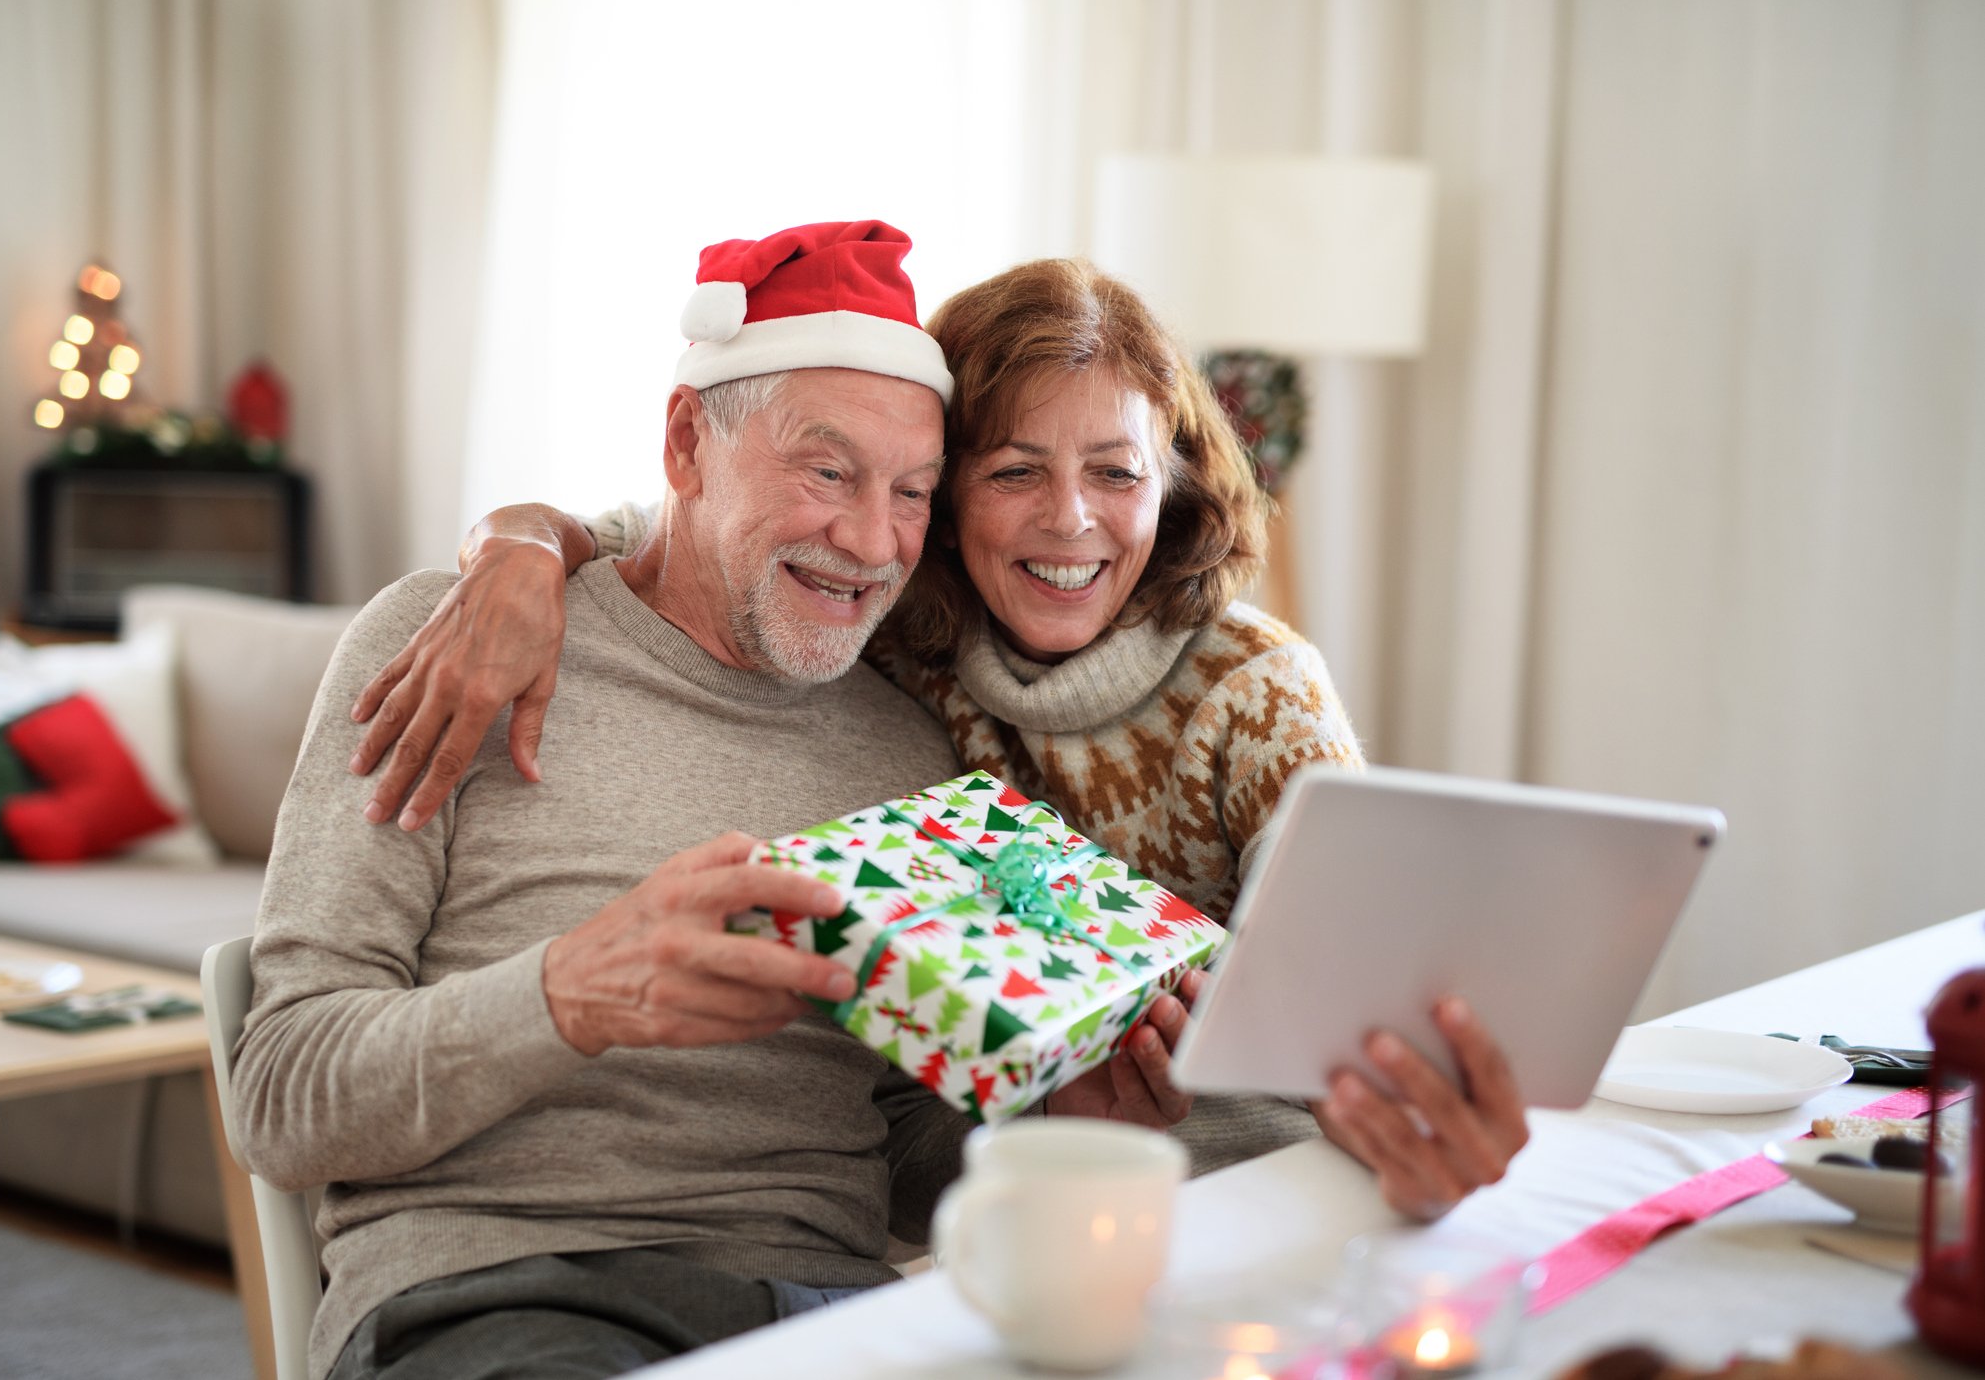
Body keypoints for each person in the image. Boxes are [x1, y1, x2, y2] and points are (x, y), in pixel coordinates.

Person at [352, 255, 1532, 1224]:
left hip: (1276, 1181)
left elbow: (1369, 997)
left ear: (1167, 487)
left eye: (1114, 473)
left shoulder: (1258, 688)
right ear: (951, 496)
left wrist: (1410, 1135)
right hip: (1055, 1208)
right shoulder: (896, 652)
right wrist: (519, 540)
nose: (1070, 520)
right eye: (1015, 471)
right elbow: (684, 528)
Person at [233, 223, 1211, 1380]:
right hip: (516, 1293)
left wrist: (1051, 1120)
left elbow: (897, 1149)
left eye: (910, 492)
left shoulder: (910, 747)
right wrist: (569, 992)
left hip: (838, 1319)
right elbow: (284, 1095)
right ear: (688, 442)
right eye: (827, 471)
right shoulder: (452, 648)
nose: (869, 541)